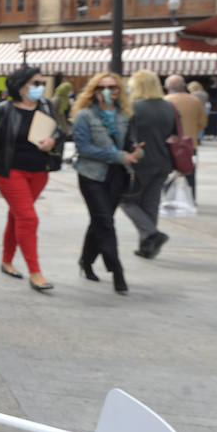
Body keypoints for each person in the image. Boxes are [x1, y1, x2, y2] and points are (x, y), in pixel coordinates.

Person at [0, 65, 60, 292]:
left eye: (42, 83)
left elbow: (58, 130)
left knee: (17, 216)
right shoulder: (4, 109)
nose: (41, 88)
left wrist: (53, 140)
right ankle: (36, 273)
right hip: (11, 172)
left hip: (39, 172)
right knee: (28, 219)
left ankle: (7, 261)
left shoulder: (46, 105)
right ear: (21, 85)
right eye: (36, 83)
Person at [71, 70, 143, 295]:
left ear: (119, 91)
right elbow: (84, 148)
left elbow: (129, 143)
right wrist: (118, 156)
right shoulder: (85, 115)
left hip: (117, 175)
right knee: (105, 221)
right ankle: (117, 271)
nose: (107, 92)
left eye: (112, 88)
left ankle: (86, 260)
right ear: (94, 91)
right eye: (101, 88)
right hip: (91, 174)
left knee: (101, 220)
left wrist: (135, 152)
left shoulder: (125, 115)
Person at [119, 70, 176, 260]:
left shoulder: (134, 107)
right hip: (163, 161)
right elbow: (175, 134)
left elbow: (124, 134)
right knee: (151, 203)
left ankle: (152, 234)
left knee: (126, 200)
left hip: (140, 160)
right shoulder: (169, 107)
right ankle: (147, 247)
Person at [165, 74, 205, 200]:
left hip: (170, 144)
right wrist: (192, 131)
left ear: (167, 87)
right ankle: (191, 198)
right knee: (190, 172)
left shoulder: (165, 101)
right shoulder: (195, 100)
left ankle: (169, 197)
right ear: (183, 86)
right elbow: (203, 122)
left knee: (169, 173)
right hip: (190, 143)